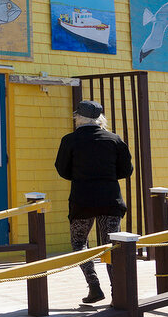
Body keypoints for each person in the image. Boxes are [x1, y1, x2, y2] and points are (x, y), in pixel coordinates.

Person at [54, 100, 134, 304]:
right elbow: (127, 171)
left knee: (80, 243)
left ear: (78, 117)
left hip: (82, 199)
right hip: (110, 199)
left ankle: (94, 286)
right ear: (100, 118)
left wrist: (81, 176)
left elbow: (62, 170)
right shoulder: (114, 140)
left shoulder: (70, 140)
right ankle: (119, 293)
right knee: (112, 246)